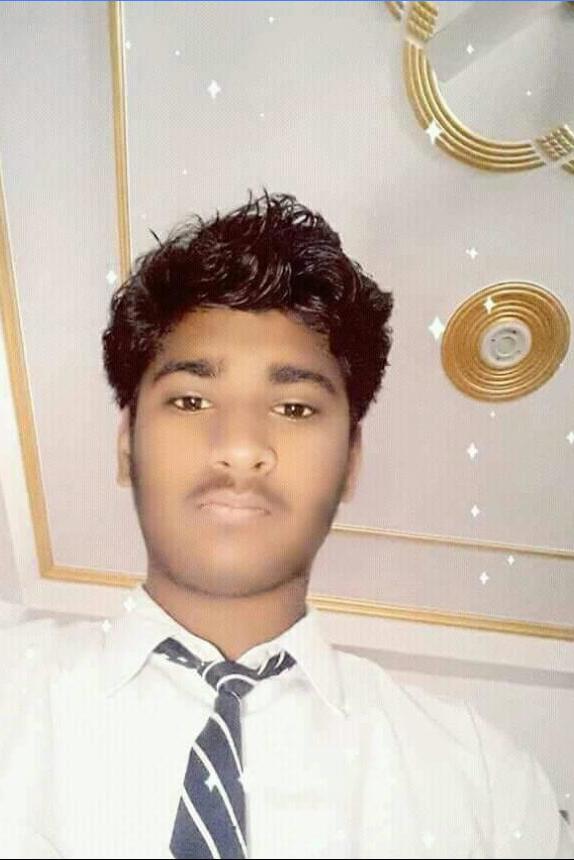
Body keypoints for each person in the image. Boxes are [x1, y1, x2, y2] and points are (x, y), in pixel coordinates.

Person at [0, 190, 572, 859]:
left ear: (351, 462)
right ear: (127, 443)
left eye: (295, 408)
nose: (242, 447)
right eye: (190, 399)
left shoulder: (485, 784)